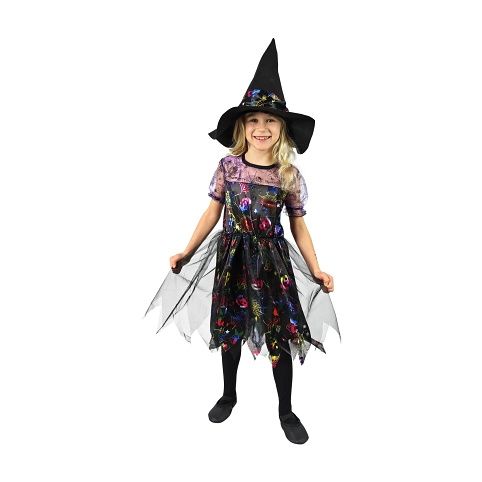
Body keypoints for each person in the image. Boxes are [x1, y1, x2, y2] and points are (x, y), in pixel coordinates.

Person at [144, 38, 341, 444]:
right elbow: (211, 213)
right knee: (229, 325)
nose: (261, 128)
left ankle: (286, 409)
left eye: (270, 121)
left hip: (272, 262)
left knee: (279, 332)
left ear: (282, 129)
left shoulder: (288, 175)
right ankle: (228, 394)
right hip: (232, 257)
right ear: (242, 127)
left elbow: (299, 226)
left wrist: (317, 268)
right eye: (253, 120)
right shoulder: (228, 167)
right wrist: (187, 251)